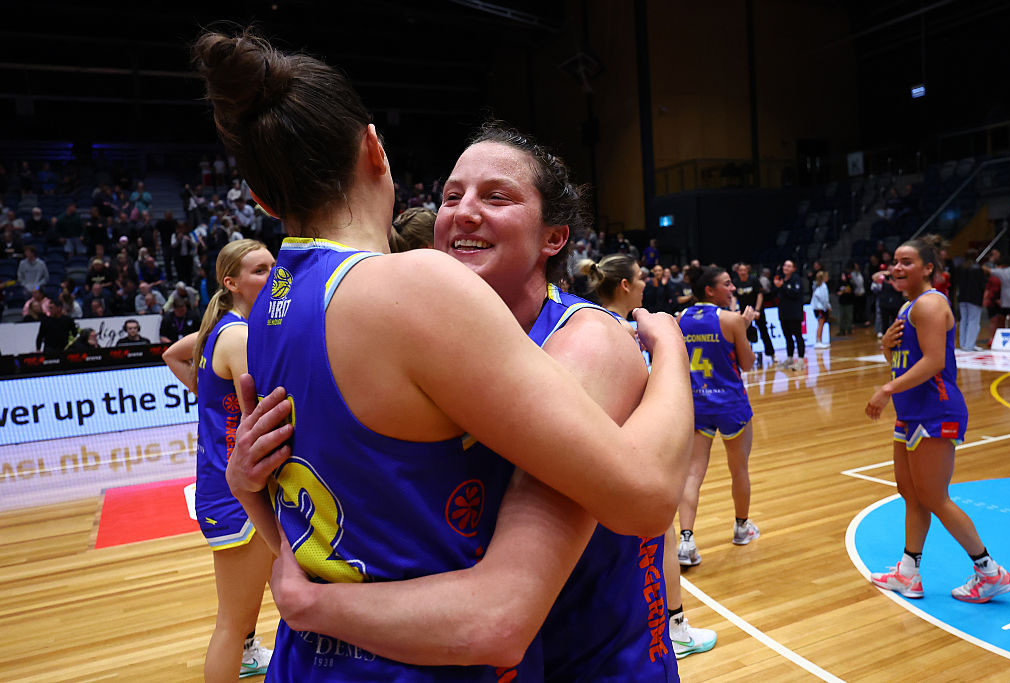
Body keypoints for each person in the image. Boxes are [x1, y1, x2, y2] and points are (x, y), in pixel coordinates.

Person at [195, 27, 689, 682]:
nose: (464, 212)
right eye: (452, 195)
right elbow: (638, 500)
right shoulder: (411, 298)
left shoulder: (272, 307)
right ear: (375, 150)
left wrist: (259, 508)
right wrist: (672, 351)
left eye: (497, 196)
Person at [578, 252, 717, 661]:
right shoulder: (616, 331)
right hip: (628, 457)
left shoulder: (592, 322)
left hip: (611, 459)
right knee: (662, 535)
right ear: (625, 285)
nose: (645, 285)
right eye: (640, 278)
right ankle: (677, 629)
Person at [866, 235, 1010, 603]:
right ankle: (908, 573)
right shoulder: (909, 307)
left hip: (936, 410)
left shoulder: (931, 304)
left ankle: (990, 572)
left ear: (928, 268)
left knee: (934, 496)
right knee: (910, 493)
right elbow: (905, 362)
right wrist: (886, 349)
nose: (897, 268)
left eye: (907, 262)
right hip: (911, 410)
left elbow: (934, 362)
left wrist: (886, 389)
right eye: (895, 262)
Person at [163, 239, 277, 682]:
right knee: (232, 625)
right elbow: (267, 411)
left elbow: (174, 354)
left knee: (287, 599)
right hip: (237, 495)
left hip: (234, 486)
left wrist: (209, 395)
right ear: (231, 283)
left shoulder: (222, 329)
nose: (273, 276)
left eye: (273, 266)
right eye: (259, 271)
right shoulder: (239, 336)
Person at [676, 265, 759, 567]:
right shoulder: (731, 319)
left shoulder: (679, 319)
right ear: (710, 290)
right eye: (727, 284)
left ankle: (686, 541)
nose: (733, 288)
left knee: (692, 474)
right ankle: (741, 528)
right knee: (739, 470)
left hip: (698, 405)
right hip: (731, 405)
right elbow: (747, 364)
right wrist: (743, 327)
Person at [733, 263, 773, 363]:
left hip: (756, 310)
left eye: (744, 270)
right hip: (744, 312)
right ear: (738, 271)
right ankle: (746, 356)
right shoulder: (736, 282)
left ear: (747, 271)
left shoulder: (753, 280)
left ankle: (772, 354)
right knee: (744, 334)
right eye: (740, 270)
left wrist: (757, 310)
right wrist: (733, 311)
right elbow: (734, 297)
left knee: (763, 331)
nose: (742, 272)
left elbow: (760, 295)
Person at [772, 259, 805, 369]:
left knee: (798, 336)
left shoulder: (796, 279)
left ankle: (801, 360)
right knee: (787, 337)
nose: (786, 268)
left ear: (794, 269)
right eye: (785, 265)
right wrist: (777, 286)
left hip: (794, 313)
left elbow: (795, 293)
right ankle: (790, 358)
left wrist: (783, 286)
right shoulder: (781, 279)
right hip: (783, 313)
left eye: (789, 266)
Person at [955, 249, 986, 350]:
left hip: (962, 297)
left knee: (964, 320)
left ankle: (963, 343)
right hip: (974, 298)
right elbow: (982, 285)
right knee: (973, 321)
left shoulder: (960, 267)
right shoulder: (978, 268)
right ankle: (970, 345)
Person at [811, 270, 831, 348]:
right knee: (820, 324)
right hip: (820, 308)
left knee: (820, 324)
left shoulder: (816, 285)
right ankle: (818, 341)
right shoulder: (823, 286)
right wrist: (828, 306)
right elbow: (824, 298)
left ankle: (819, 340)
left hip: (817, 307)